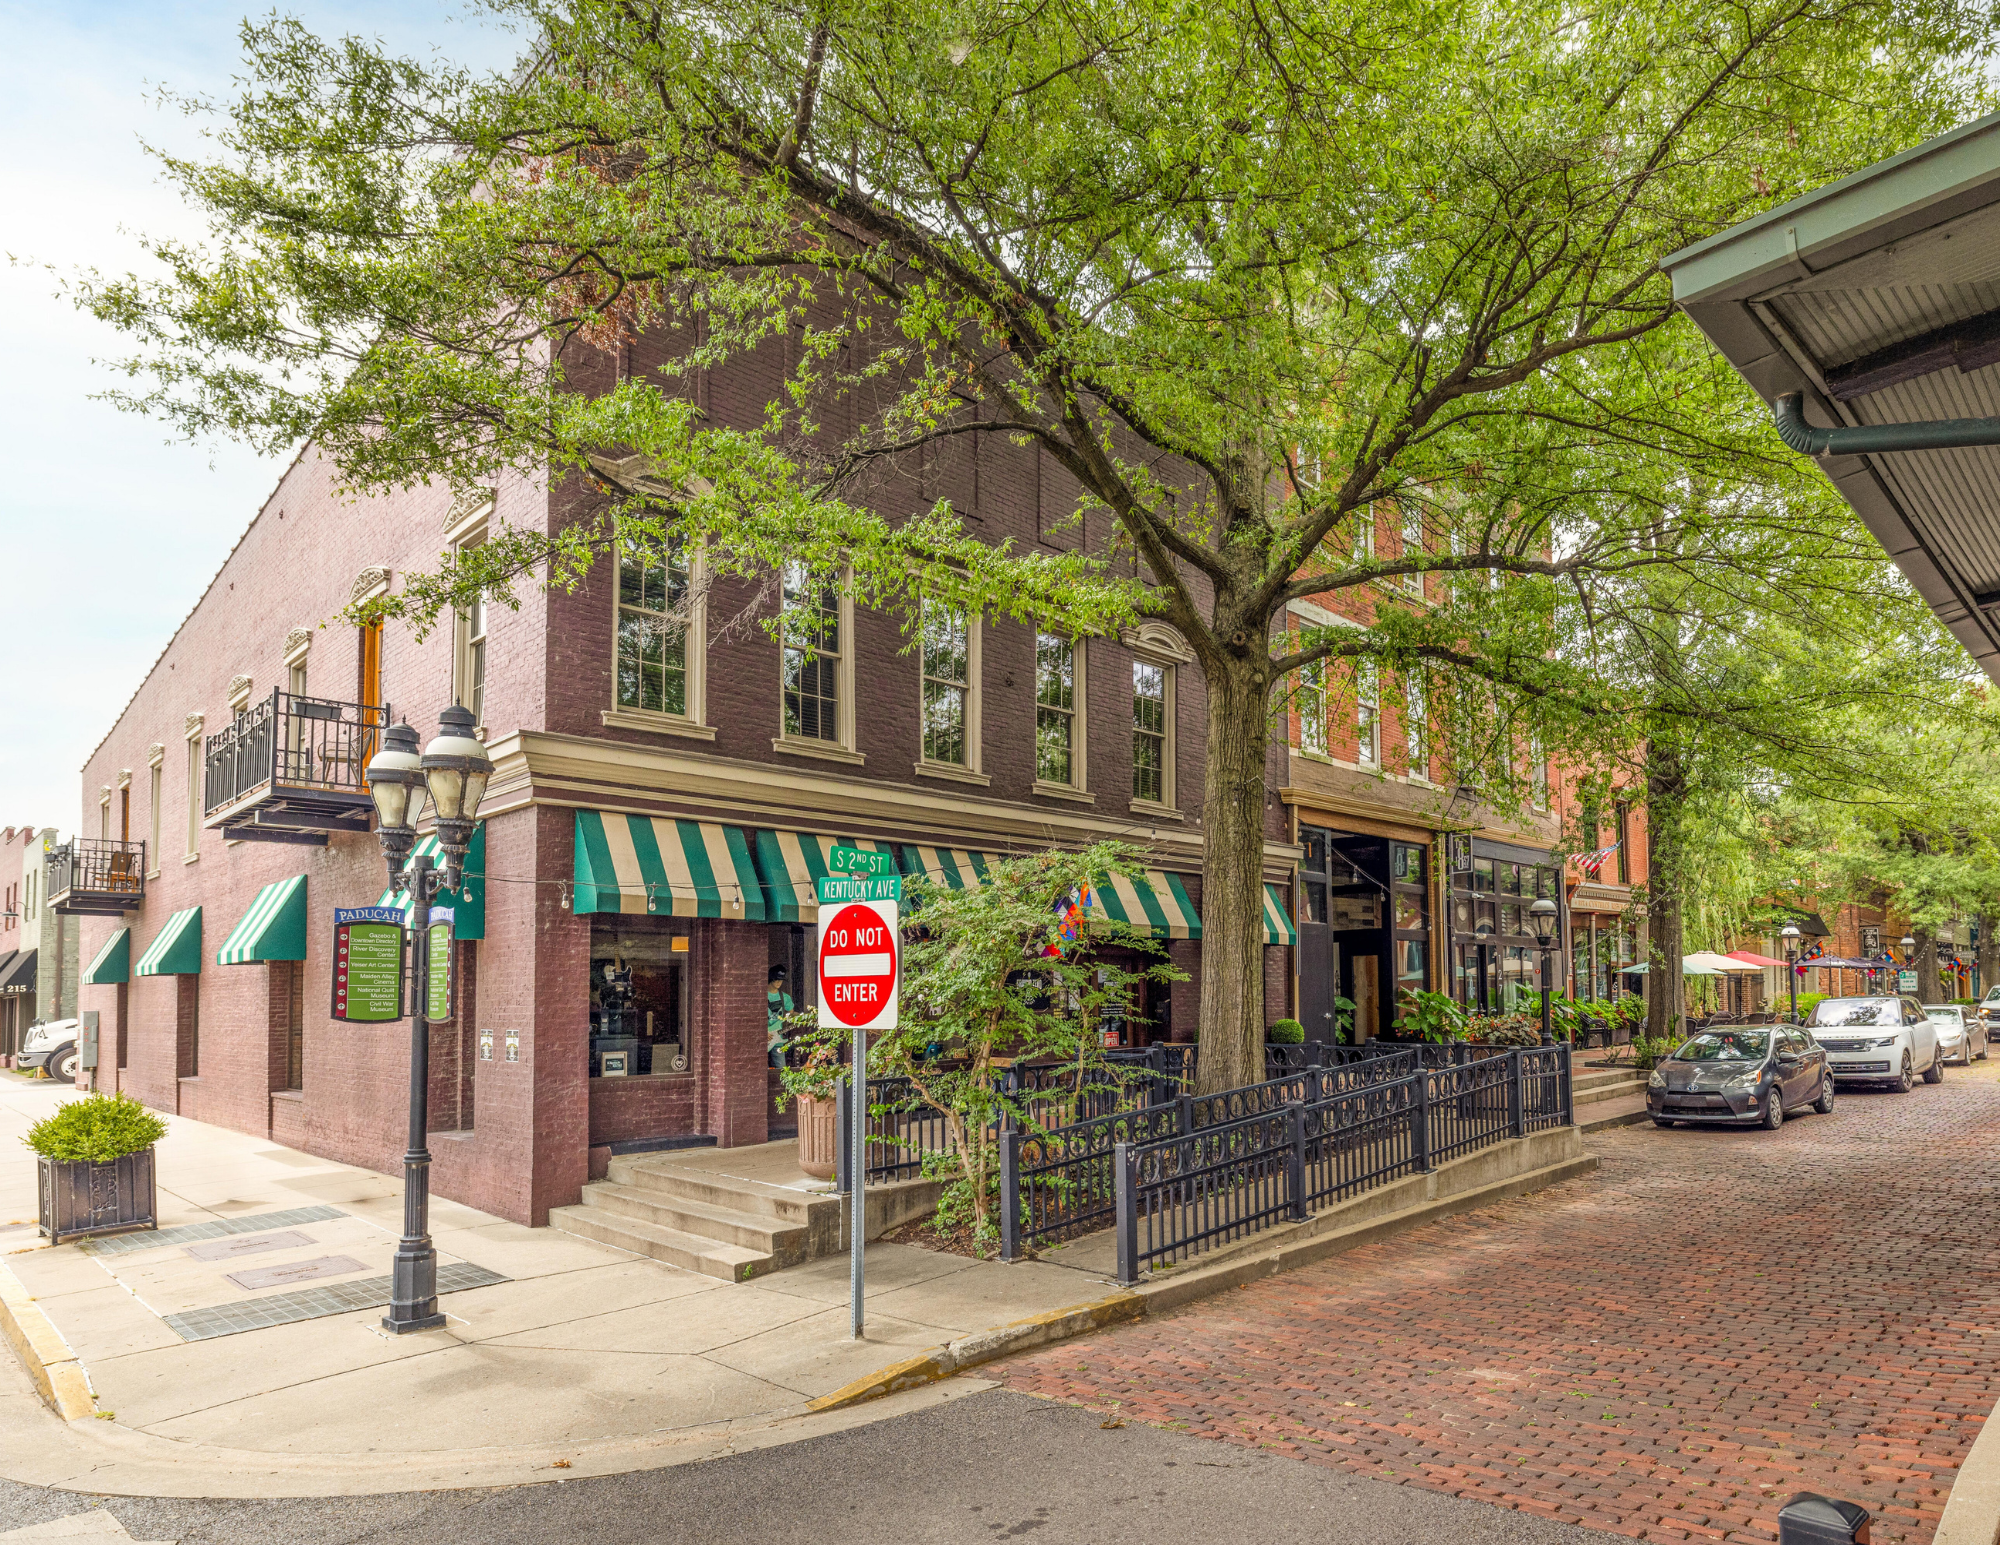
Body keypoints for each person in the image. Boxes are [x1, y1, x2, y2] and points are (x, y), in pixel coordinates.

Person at [767, 965, 795, 1067]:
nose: (779, 983)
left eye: (781, 980)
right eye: (776, 980)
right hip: (762, 1038)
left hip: (777, 1039)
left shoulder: (785, 997)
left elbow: (791, 1014)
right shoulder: (761, 994)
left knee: (781, 1070)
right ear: (771, 979)